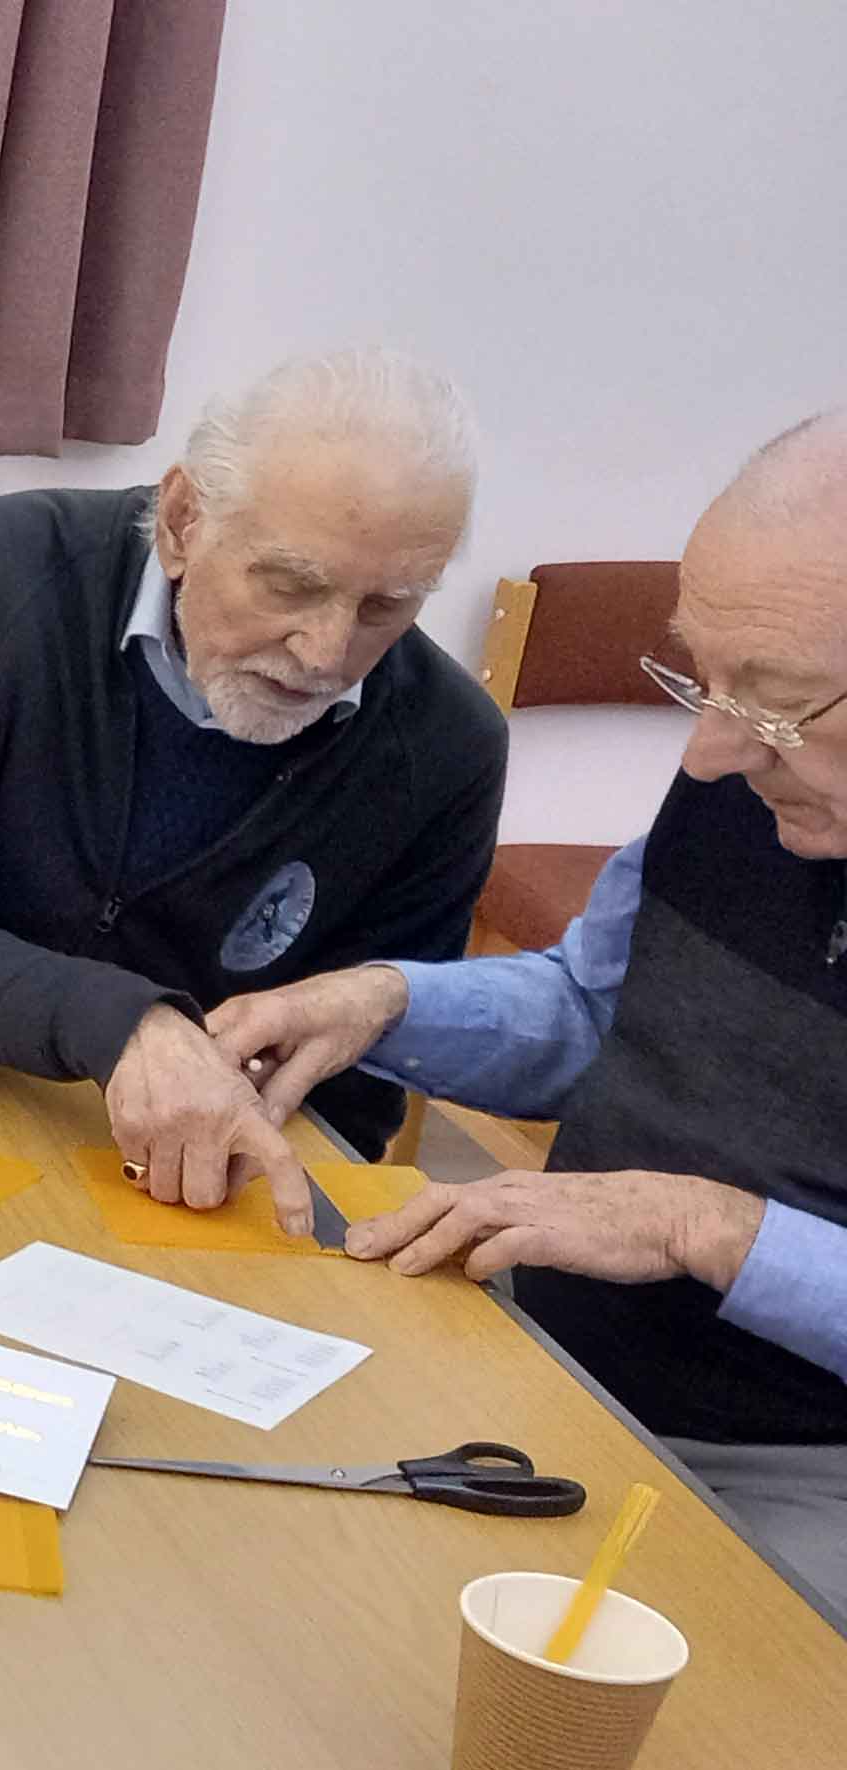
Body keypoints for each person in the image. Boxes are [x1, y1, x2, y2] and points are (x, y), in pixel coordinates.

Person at [211, 412, 847, 1601]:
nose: (706, 754)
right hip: (545, 1343)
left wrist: (712, 1229)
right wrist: (384, 1002)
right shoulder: (745, 780)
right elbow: (593, 1009)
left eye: (773, 703)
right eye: (701, 678)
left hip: (805, 1464)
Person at [0, 348, 508, 1235]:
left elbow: (347, 1094)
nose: (327, 654)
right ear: (182, 521)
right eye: (291, 584)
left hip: (136, 1169)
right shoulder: (8, 568)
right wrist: (124, 1024)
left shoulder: (449, 747)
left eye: (385, 607)